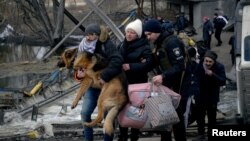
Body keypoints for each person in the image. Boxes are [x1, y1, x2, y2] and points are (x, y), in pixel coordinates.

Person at [77, 23, 124, 141]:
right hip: (92, 87)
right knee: (85, 113)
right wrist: (78, 74)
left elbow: (117, 61)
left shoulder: (107, 45)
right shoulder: (84, 46)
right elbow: (81, 65)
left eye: (90, 35)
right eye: (86, 35)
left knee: (107, 117)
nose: (87, 38)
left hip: (107, 86)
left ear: (97, 35)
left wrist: (104, 76)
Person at [144, 19, 187, 141]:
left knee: (177, 117)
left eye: (149, 34)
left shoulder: (172, 42)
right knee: (164, 116)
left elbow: (180, 66)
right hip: (167, 84)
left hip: (179, 85)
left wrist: (163, 76)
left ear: (157, 32)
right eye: (146, 34)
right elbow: (156, 62)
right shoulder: (158, 43)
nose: (148, 37)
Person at [118, 19, 153, 141]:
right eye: (127, 31)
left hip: (138, 85)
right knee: (122, 109)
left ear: (137, 34)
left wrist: (131, 66)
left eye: (132, 32)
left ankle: (134, 137)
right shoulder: (122, 45)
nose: (128, 34)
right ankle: (122, 136)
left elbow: (149, 64)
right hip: (123, 83)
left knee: (136, 111)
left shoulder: (144, 47)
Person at [194, 50, 226, 140]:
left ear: (214, 62)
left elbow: (222, 81)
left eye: (210, 62)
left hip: (212, 96)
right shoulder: (199, 66)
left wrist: (213, 75)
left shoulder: (219, 67)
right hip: (200, 95)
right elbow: (195, 77)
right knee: (200, 117)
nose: (208, 63)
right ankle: (201, 134)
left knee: (212, 117)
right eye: (206, 61)